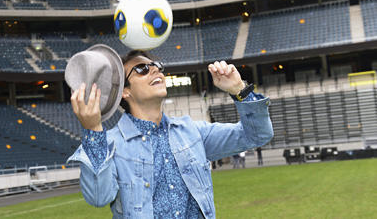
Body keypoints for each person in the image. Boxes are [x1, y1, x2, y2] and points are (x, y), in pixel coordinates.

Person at [67, 50, 273, 218]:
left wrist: (239, 90)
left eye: (157, 66)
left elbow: (257, 136)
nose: (155, 69)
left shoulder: (192, 132)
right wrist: (93, 131)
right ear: (125, 91)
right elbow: (98, 198)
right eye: (142, 69)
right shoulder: (110, 144)